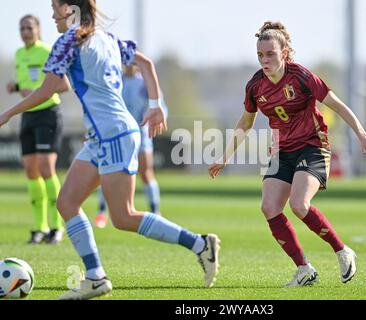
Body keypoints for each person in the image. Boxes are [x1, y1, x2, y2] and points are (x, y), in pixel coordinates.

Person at [0, 0, 220, 300]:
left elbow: (46, 90)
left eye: (55, 7)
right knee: (66, 202)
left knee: (123, 216)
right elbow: (146, 64)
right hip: (104, 136)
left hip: (113, 135)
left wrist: (8, 114)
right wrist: (156, 106)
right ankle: (95, 276)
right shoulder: (107, 38)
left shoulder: (69, 42)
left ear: (70, 8)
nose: (52, 14)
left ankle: (200, 244)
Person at [209, 21, 366, 287]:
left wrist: (361, 134)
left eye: (270, 54)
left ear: (284, 53)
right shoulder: (255, 86)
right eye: (260, 55)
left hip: (313, 146)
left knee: (299, 205)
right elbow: (245, 123)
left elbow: (338, 106)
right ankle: (304, 269)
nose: (264, 60)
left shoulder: (301, 76)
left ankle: (342, 251)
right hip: (282, 151)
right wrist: (225, 156)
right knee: (269, 207)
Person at [6, 15, 65, 244]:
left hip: (48, 114)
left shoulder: (48, 51)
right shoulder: (19, 54)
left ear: (39, 30)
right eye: (22, 28)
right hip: (28, 116)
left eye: (29, 27)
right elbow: (29, 85)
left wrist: (35, 91)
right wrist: (18, 87)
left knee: (45, 167)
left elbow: (62, 84)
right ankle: (39, 227)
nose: (25, 32)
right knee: (31, 170)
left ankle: (57, 226)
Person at [95, 65, 166, 228]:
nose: (129, 65)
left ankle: (156, 212)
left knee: (146, 172)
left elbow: (161, 107)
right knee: (106, 171)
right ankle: (101, 212)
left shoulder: (146, 83)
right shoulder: (114, 80)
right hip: (116, 133)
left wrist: (154, 120)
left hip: (140, 133)